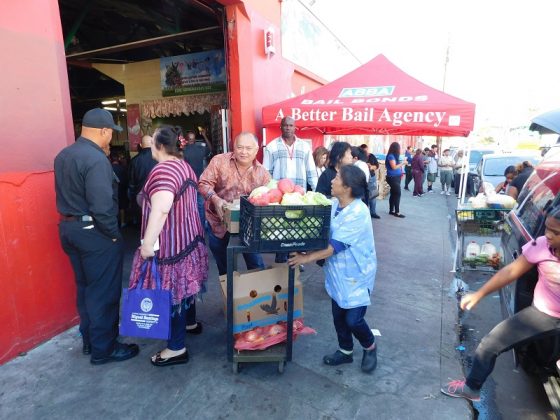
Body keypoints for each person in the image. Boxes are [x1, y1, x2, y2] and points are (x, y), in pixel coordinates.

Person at [442, 207, 560, 402]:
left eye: (556, 232)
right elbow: (510, 272)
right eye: (547, 228)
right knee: (489, 345)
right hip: (543, 314)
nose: (548, 235)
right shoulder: (541, 245)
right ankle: (471, 388)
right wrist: (479, 294)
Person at [54, 108, 139, 365]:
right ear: (103, 131)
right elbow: (102, 207)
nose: (110, 140)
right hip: (95, 233)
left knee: (85, 289)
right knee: (104, 293)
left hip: (69, 230)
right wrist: (114, 236)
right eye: (109, 134)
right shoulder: (96, 159)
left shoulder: (63, 155)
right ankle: (105, 348)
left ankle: (90, 342)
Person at [129, 125, 209, 367]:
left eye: (152, 141)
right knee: (186, 284)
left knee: (172, 291)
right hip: (189, 239)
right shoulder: (182, 166)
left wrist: (147, 244)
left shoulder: (164, 171)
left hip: (171, 246)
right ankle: (190, 322)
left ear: (161, 146)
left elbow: (162, 207)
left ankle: (176, 347)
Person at [288, 165, 378, 373]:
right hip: (338, 273)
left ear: (347, 187)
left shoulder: (358, 212)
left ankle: (370, 346)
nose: (331, 180)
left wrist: (306, 257)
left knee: (353, 320)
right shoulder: (335, 204)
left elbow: (335, 247)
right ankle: (345, 351)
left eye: (337, 178)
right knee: (338, 316)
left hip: (356, 274)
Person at [198, 132, 270, 275]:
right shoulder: (219, 161)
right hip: (218, 222)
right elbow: (204, 183)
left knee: (256, 266)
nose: (243, 152)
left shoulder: (263, 174)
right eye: (240, 147)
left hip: (247, 228)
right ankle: (231, 294)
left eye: (248, 148)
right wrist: (215, 198)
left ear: (256, 150)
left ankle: (258, 295)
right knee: (225, 269)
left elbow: (268, 198)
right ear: (234, 147)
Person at [263, 116, 318, 191]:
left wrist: (317, 191)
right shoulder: (271, 147)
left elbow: (311, 173)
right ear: (280, 127)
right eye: (285, 125)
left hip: (300, 195)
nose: (288, 128)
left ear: (295, 127)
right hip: (279, 195)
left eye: (291, 125)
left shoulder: (305, 146)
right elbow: (266, 174)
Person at [183, 128, 212, 230]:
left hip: (188, 183)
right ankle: (201, 228)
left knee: (189, 205)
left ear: (186, 140)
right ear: (194, 140)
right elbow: (210, 148)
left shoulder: (183, 151)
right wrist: (204, 135)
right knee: (200, 205)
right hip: (200, 181)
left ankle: (191, 228)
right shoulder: (200, 148)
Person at [128, 135, 157, 225]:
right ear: (153, 144)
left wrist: (132, 198)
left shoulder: (134, 160)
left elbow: (131, 182)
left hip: (140, 197)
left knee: (143, 222)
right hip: (157, 194)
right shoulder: (159, 158)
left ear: (140, 145)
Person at [385, 142, 406, 217]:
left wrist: (401, 173)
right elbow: (394, 167)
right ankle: (397, 212)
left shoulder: (393, 156)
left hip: (396, 177)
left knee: (393, 193)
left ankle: (391, 210)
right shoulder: (391, 156)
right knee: (397, 193)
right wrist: (403, 163)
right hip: (392, 177)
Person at [366, 153, 381, 219]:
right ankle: (365, 213)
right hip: (362, 178)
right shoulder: (359, 156)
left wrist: (371, 167)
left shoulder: (371, 155)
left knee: (373, 195)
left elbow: (377, 165)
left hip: (371, 177)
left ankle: (373, 212)